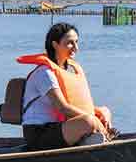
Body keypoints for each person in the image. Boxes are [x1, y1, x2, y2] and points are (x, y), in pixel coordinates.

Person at [18, 22, 114, 151]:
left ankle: (91, 139)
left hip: (61, 126)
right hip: (39, 132)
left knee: (104, 111)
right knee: (88, 122)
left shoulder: (71, 69)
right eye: (70, 43)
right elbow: (62, 107)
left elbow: (77, 107)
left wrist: (99, 113)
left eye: (76, 42)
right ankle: (90, 139)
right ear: (55, 44)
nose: (75, 48)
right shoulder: (44, 73)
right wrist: (94, 121)